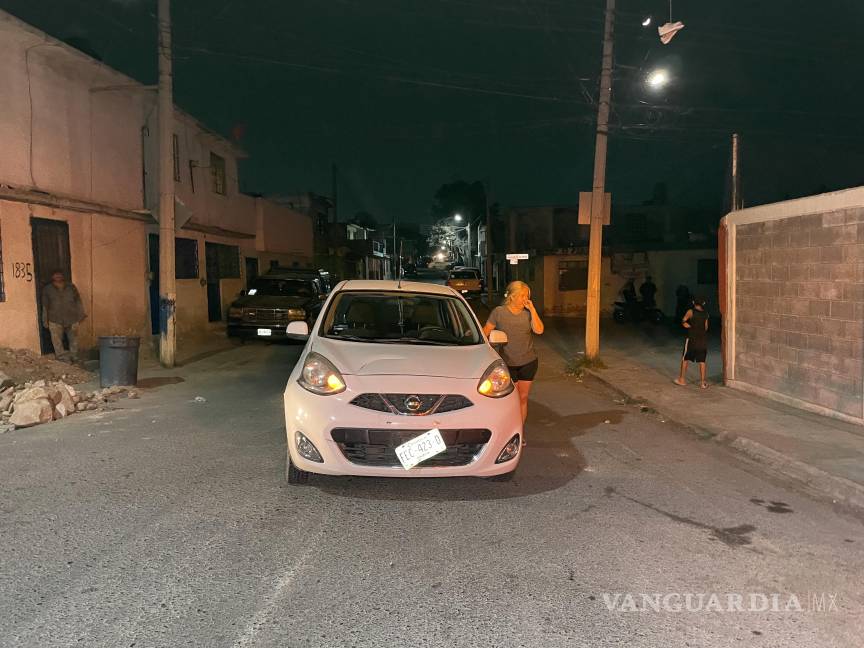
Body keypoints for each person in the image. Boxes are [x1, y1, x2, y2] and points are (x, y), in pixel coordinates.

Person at [483, 280, 544, 426]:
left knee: (522, 398)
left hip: (528, 362)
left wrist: (533, 310)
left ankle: (519, 431)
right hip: (508, 363)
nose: (526, 299)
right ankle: (509, 431)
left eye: (527, 295)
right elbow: (486, 331)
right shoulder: (499, 312)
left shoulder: (528, 314)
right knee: (512, 400)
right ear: (512, 296)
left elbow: (539, 330)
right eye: (522, 295)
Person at [42, 270, 86, 363]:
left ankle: (74, 356)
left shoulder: (71, 287)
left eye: (59, 274)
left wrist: (81, 315)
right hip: (55, 318)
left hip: (72, 317)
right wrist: (45, 320)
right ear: (52, 277)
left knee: (73, 339)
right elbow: (45, 306)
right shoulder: (47, 289)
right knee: (56, 340)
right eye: (55, 274)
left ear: (63, 276)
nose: (57, 276)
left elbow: (78, 301)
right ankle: (61, 357)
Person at [674, 296, 709, 389]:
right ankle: (702, 383)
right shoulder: (706, 314)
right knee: (702, 361)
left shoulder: (690, 311)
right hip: (702, 340)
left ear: (694, 303)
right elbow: (706, 327)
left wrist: (687, 325)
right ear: (703, 304)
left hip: (691, 339)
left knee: (685, 358)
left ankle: (682, 380)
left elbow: (683, 321)